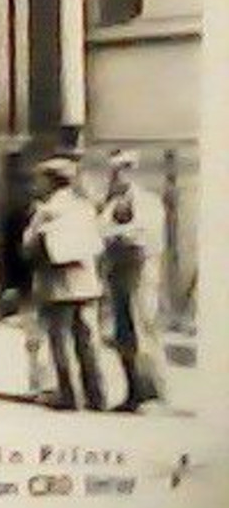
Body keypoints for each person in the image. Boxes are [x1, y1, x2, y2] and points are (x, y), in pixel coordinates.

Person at [22, 156, 106, 411]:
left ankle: (70, 396)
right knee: (89, 342)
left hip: (57, 286)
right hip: (87, 284)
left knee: (62, 343)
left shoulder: (46, 211)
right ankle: (97, 396)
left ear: (50, 182)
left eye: (41, 180)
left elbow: (29, 247)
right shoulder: (84, 206)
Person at [98, 149, 169, 412]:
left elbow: (141, 236)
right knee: (123, 335)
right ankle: (133, 391)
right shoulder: (111, 203)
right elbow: (99, 228)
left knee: (143, 331)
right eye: (114, 170)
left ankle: (153, 395)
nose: (117, 175)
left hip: (141, 274)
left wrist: (111, 234)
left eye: (124, 169)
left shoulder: (148, 202)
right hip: (118, 273)